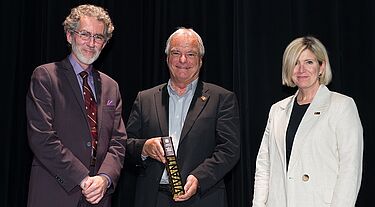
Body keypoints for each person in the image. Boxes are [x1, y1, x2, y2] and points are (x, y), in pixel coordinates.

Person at [126, 27, 240, 207]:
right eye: (176, 52)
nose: (182, 60)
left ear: (201, 61)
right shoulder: (145, 98)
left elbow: (229, 150)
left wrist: (199, 178)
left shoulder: (222, 98)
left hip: (203, 198)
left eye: (191, 54)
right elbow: (124, 145)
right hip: (152, 199)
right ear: (167, 58)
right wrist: (144, 148)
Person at [26, 4, 127, 207]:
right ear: (69, 36)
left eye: (98, 37)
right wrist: (82, 178)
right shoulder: (45, 76)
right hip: (54, 193)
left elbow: (118, 142)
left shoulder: (111, 87)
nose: (91, 43)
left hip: (98, 197)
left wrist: (104, 178)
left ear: (105, 43)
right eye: (84, 34)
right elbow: (42, 138)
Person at [252, 36, 363, 207]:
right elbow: (264, 166)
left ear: (322, 67)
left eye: (309, 62)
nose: (301, 69)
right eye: (295, 63)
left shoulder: (342, 106)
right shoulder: (277, 110)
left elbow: (350, 169)